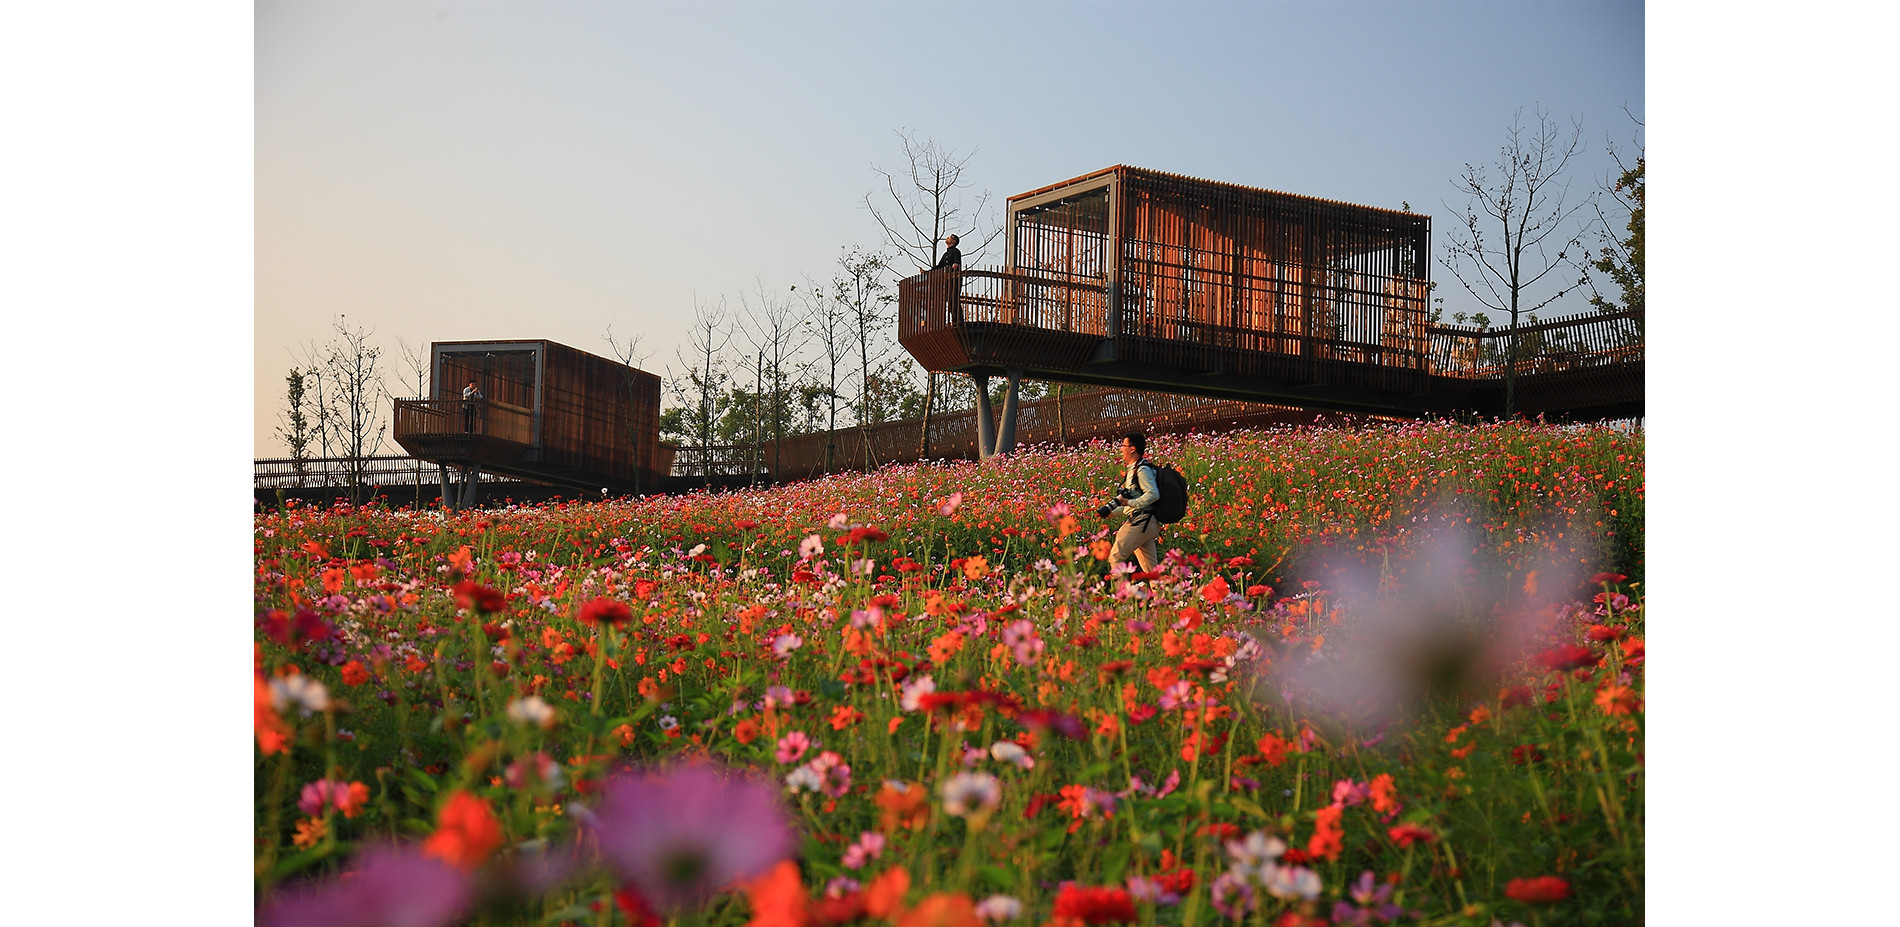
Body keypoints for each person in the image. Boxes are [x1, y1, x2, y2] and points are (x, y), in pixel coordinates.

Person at [1096, 431, 1161, 571]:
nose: (1121, 449)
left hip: (1140, 522)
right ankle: (1166, 592)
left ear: (1132, 449)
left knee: (1115, 557)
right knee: (1152, 570)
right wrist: (1112, 512)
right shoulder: (1134, 469)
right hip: (1146, 522)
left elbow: (1153, 494)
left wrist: (1128, 502)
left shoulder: (1142, 470)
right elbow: (1133, 502)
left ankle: (1122, 592)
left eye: (1123, 445)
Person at [930, 234, 964, 323]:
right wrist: (928, 271)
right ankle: (954, 318)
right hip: (948, 278)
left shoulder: (956, 251)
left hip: (955, 277)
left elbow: (957, 260)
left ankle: (959, 318)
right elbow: (940, 266)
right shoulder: (946, 254)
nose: (947, 238)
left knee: (954, 297)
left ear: (954, 241)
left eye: (949, 237)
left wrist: (956, 264)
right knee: (950, 298)